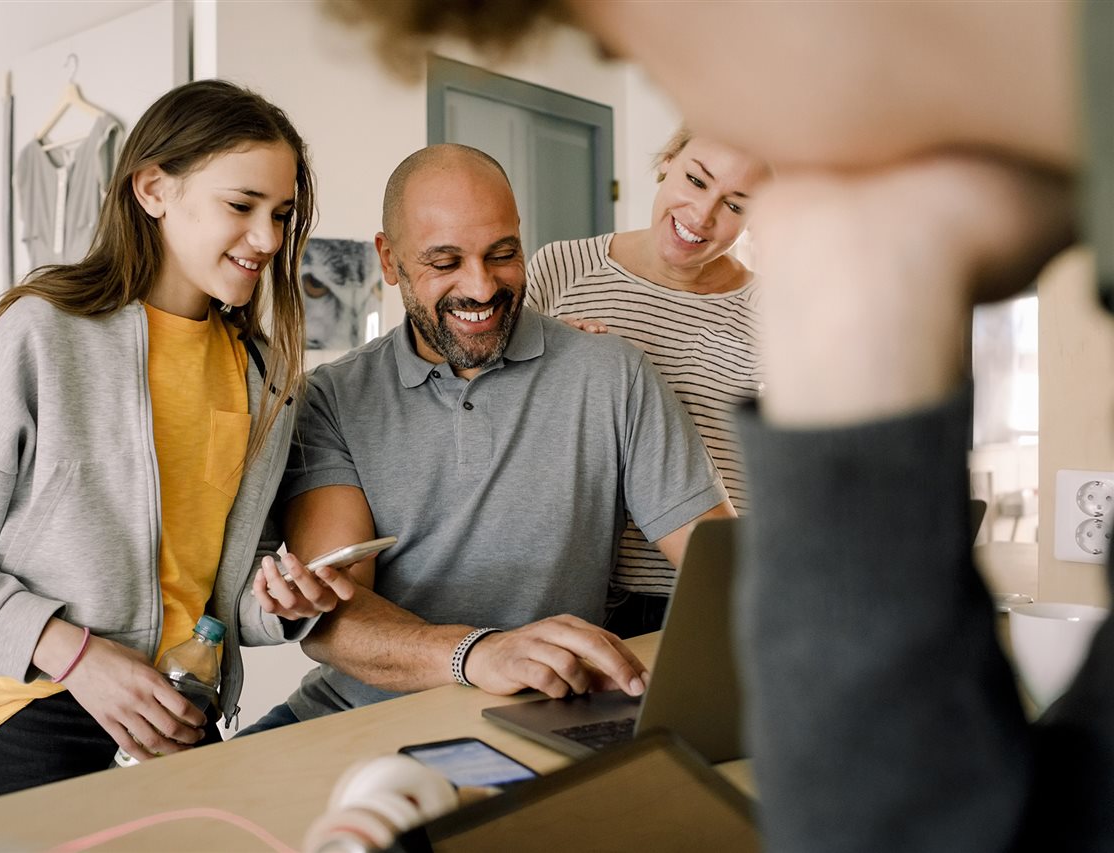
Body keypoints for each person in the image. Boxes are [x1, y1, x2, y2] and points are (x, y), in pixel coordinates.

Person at [327, 1, 1112, 851]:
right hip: (626, 603)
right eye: (700, 174)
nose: (707, 212)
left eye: (744, 195)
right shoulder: (556, 282)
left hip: (713, 570)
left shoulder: (761, 306)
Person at [0, 79, 355, 803]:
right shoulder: (44, 333)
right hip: (38, 714)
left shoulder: (264, 375)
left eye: (282, 214)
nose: (270, 239)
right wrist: (78, 656)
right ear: (155, 189)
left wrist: (283, 598)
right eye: (242, 205)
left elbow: (221, 574)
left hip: (181, 719)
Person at [241, 143, 734, 732]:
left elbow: (723, 565)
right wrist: (478, 653)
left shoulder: (611, 374)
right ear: (390, 259)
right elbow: (335, 620)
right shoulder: (331, 398)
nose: (480, 288)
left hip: (536, 717)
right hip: (353, 714)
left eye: (502, 254)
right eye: (444, 263)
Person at [526, 130, 771, 637]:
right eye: (695, 180)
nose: (702, 215)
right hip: (570, 596)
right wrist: (539, 369)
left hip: (706, 594)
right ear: (667, 161)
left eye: (735, 204)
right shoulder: (561, 269)